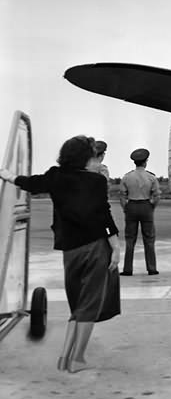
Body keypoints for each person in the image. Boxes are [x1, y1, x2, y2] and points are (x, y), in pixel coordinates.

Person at [0, 136, 120, 373]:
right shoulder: (96, 181)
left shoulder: (55, 176)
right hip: (95, 246)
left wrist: (7, 175)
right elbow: (103, 215)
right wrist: (115, 245)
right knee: (90, 304)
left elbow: (30, 183)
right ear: (86, 156)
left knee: (77, 305)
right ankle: (78, 359)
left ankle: (65, 356)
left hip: (70, 249)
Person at [120, 148, 161, 275]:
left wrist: (125, 208)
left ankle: (127, 269)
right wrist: (151, 207)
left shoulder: (127, 177)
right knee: (149, 239)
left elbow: (122, 196)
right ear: (145, 162)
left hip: (131, 205)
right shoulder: (151, 177)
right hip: (146, 206)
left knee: (130, 239)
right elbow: (157, 195)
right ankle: (152, 268)